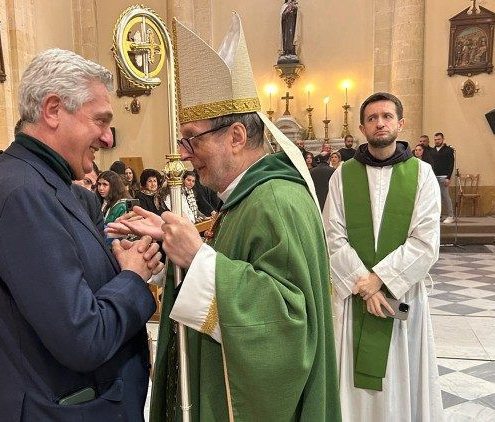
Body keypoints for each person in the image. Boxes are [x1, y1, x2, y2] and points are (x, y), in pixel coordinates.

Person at [108, 14, 340, 421]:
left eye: (191, 139)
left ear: (236, 137)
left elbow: (288, 326)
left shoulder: (275, 201)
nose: (184, 154)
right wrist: (172, 243)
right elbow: (236, 266)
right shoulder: (246, 197)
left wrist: (198, 257)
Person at [0, 48, 163, 421]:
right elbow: (83, 338)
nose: (108, 138)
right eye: (100, 120)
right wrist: (133, 277)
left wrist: (120, 261)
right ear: (53, 110)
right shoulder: (22, 194)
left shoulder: (47, 185)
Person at [323, 92, 443, 421]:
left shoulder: (422, 174)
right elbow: (332, 235)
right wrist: (365, 286)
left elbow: (426, 240)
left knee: (399, 376)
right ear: (362, 127)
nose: (380, 123)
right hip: (354, 297)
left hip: (400, 295)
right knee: (350, 381)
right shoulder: (342, 175)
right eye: (372, 118)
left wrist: (379, 280)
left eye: (387, 116)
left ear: (400, 124)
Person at [432, 132, 455, 224]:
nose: (437, 141)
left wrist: (448, 178)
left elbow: (451, 165)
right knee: (436, 198)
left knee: (445, 196)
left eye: (438, 139)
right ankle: (439, 215)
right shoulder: (432, 150)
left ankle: (451, 216)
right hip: (434, 177)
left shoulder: (448, 150)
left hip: (444, 177)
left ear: (443, 139)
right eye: (435, 140)